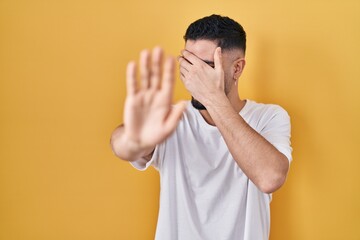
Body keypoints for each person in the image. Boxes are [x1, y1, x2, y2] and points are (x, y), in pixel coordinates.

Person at [110, 14, 292, 240]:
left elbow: (270, 178)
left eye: (205, 67)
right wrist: (134, 140)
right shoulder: (174, 118)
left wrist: (213, 98)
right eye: (188, 64)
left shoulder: (269, 117)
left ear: (237, 69)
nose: (192, 77)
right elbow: (121, 146)